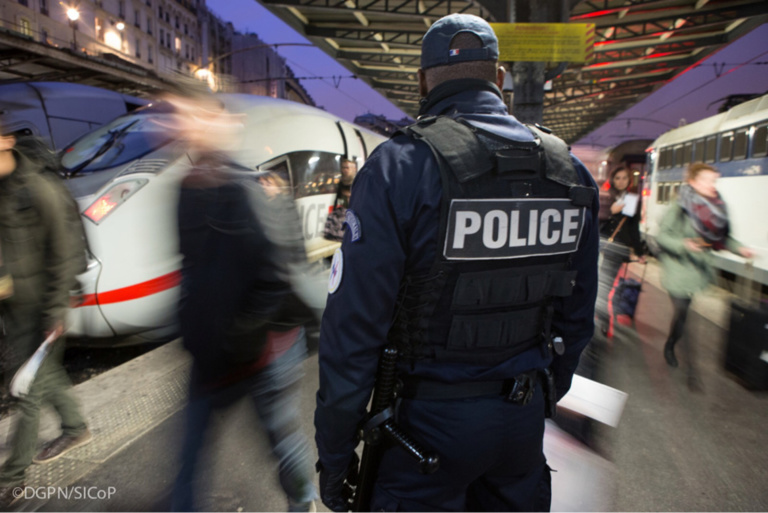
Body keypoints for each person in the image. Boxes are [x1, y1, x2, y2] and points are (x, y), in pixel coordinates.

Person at [314, 13, 600, 512]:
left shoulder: (400, 166)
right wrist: (543, 393)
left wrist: (335, 454)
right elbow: (578, 312)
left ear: (423, 81)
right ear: (500, 79)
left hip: (424, 432)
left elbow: (353, 332)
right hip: (523, 421)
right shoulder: (566, 168)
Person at [168, 94, 318, 512]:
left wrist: (239, 337)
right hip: (212, 349)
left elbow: (275, 275)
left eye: (193, 117)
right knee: (189, 450)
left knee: (281, 440)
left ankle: (303, 501)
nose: (181, 127)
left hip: (266, 350)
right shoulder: (185, 189)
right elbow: (190, 265)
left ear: (224, 124)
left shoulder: (249, 190)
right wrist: (190, 324)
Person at [0, 130, 91, 507]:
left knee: (25, 392)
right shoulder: (3, 190)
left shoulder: (38, 189)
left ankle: (11, 479)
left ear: (5, 140)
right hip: (15, 308)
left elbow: (64, 252)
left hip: (44, 308)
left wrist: (55, 311)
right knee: (45, 375)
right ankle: (76, 427)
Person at [657, 162, 754, 391]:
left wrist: (741, 249)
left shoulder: (717, 209)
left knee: (682, 317)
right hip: (678, 268)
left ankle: (671, 342)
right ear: (692, 182)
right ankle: (693, 373)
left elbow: (724, 238)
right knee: (685, 315)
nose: (712, 185)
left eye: (714, 180)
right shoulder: (680, 207)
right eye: (706, 180)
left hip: (698, 270)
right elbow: (663, 237)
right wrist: (685, 244)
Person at [595, 166, 645, 332]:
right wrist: (610, 212)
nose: (621, 181)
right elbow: (595, 218)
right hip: (600, 245)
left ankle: (603, 319)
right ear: (612, 180)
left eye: (624, 178)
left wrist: (639, 251)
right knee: (596, 281)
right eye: (618, 178)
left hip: (616, 249)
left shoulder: (631, 199)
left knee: (606, 284)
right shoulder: (606, 197)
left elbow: (633, 228)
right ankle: (596, 313)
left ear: (629, 180)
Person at [323, 158, 358, 242]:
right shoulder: (341, 182)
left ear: (354, 169)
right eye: (343, 167)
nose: (345, 170)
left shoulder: (357, 181)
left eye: (347, 167)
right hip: (345, 214)